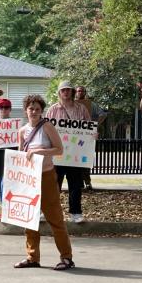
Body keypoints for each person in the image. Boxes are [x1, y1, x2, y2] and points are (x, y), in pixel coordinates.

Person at [13, 93, 75, 270]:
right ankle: (32, 257)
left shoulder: (46, 126)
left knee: (55, 218)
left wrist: (40, 151)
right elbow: (21, 156)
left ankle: (66, 257)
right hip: (28, 179)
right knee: (29, 219)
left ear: (42, 111)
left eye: (37, 109)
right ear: (26, 110)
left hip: (46, 176)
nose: (33, 111)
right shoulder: (22, 131)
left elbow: (59, 149)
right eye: (31, 108)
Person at [48, 80, 88, 224]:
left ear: (72, 92)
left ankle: (76, 213)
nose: (65, 92)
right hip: (57, 154)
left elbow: (88, 128)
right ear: (59, 92)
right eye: (63, 90)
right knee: (54, 185)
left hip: (75, 155)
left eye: (68, 90)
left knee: (75, 185)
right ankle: (50, 212)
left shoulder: (81, 109)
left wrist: (93, 134)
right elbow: (47, 130)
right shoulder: (52, 110)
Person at [75, 85, 106, 191]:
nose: (80, 93)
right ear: (75, 92)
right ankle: (78, 182)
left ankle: (88, 183)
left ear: (85, 92)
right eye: (78, 91)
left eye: (82, 91)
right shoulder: (72, 104)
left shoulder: (91, 104)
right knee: (75, 161)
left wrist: (95, 125)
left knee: (85, 160)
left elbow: (103, 114)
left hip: (87, 137)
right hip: (74, 137)